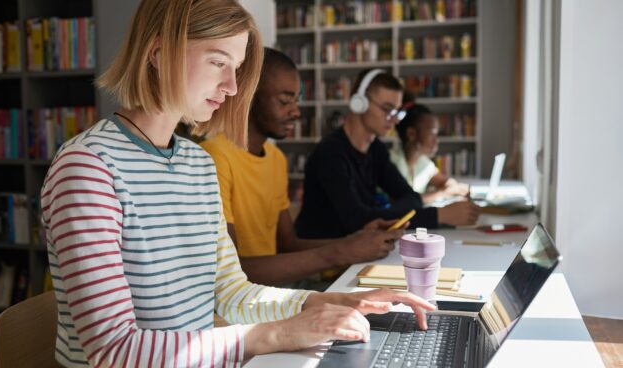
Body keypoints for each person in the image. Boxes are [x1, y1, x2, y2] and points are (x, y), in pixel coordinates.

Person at [40, 1, 435, 367]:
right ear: (159, 54)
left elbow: (232, 293)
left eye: (237, 67)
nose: (231, 86)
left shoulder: (197, 163)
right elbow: (113, 351)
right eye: (218, 62)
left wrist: (335, 301)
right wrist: (274, 334)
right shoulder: (88, 168)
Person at [201, 48, 405, 287]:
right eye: (285, 101)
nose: (296, 112)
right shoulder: (214, 157)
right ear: (249, 95)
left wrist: (354, 241)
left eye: (297, 100)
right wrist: (341, 252)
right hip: (245, 302)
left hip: (276, 291)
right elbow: (233, 272)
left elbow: (288, 245)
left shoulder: (276, 158)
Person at [295, 69, 479, 240]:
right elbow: (358, 221)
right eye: (387, 109)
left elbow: (411, 197)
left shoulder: (376, 149)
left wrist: (382, 213)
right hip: (323, 259)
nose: (393, 119)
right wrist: (438, 215)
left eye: (397, 111)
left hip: (358, 249)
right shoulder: (330, 154)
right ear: (359, 103)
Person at [391, 92, 470, 204]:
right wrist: (443, 193)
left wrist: (453, 186)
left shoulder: (423, 162)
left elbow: (444, 181)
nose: (436, 140)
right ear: (411, 134)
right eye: (432, 133)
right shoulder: (392, 162)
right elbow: (404, 201)